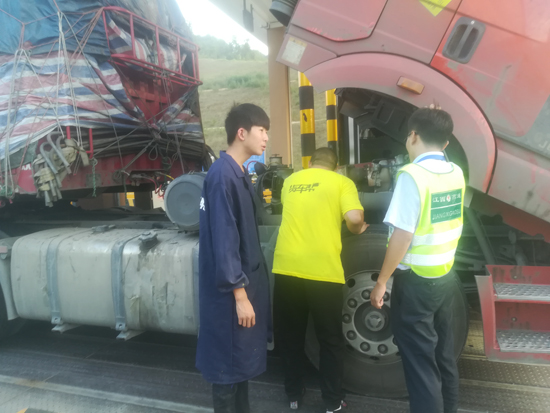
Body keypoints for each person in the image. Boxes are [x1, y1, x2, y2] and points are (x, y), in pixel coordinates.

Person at [370, 107, 465, 413]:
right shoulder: (455, 172)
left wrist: (382, 281)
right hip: (445, 275)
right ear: (446, 143)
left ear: (412, 136)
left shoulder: (412, 176)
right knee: (443, 356)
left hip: (417, 282)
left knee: (421, 365)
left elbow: (403, 235)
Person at [272, 147, 367, 413]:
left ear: (310, 163)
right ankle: (332, 401)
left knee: (290, 336)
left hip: (287, 268)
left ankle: (293, 395)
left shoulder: (291, 181)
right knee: (330, 340)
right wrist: (359, 228)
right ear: (336, 167)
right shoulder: (341, 182)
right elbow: (354, 218)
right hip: (323, 272)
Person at [196, 103, 271, 413]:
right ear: (242, 133)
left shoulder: (237, 172)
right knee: (227, 368)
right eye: (262, 130)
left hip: (242, 289)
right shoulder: (222, 176)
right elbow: (225, 240)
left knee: (239, 367)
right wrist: (239, 295)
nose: (266, 137)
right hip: (230, 296)